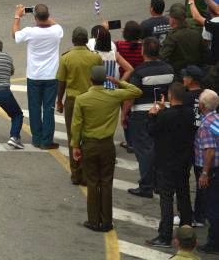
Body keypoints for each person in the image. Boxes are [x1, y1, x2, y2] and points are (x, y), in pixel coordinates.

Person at [70, 65, 142, 233]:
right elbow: (136, 91)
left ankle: (94, 220)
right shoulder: (114, 95)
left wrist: (75, 146)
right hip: (107, 145)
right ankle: (107, 221)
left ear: (90, 80)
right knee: (107, 182)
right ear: (105, 80)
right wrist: (118, 82)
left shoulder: (82, 99)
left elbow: (76, 124)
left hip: (89, 144)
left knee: (93, 182)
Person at [146, 82, 196, 249]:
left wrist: (153, 114)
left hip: (166, 163)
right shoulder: (190, 113)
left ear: (170, 96)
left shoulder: (165, 116)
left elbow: (152, 130)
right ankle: (187, 232)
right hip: (184, 162)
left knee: (166, 199)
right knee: (184, 196)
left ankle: (165, 235)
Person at [125, 36, 175, 199]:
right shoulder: (169, 69)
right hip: (164, 111)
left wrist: (124, 113)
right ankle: (160, 185)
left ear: (143, 51)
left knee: (145, 150)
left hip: (141, 114)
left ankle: (146, 186)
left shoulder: (139, 72)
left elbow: (131, 96)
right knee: (162, 148)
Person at [57, 27, 103, 184]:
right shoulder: (95, 58)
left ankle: (76, 173)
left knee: (74, 137)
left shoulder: (66, 58)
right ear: (86, 41)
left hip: (73, 101)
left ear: (73, 40)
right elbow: (100, 79)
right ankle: (88, 172)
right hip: (92, 100)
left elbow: (61, 83)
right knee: (89, 136)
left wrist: (59, 101)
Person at [13, 4, 63, 149]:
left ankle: (36, 139)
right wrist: (44, 15)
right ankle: (47, 141)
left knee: (34, 108)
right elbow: (54, 23)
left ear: (35, 18)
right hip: (51, 76)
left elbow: (15, 35)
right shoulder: (57, 31)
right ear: (48, 16)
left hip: (34, 76)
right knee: (49, 108)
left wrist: (18, 16)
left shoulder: (30, 31)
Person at [194, 89, 219, 254]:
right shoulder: (216, 119)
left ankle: (214, 243)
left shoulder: (205, 125)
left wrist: (204, 173)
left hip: (212, 171)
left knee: (212, 208)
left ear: (202, 105)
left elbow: (209, 150)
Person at [161, 2, 205, 73]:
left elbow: (163, 56)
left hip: (179, 72)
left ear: (172, 20)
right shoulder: (196, 32)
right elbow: (205, 52)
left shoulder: (172, 36)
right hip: (196, 70)